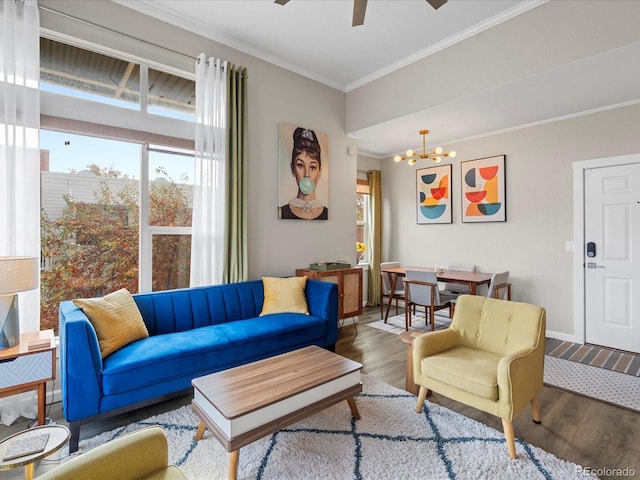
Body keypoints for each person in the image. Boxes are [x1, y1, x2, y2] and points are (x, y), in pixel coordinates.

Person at [279, 126, 328, 220]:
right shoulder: (281, 213)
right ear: (293, 169)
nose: (306, 174)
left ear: (320, 172)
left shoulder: (327, 213)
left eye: (312, 167)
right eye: (300, 165)